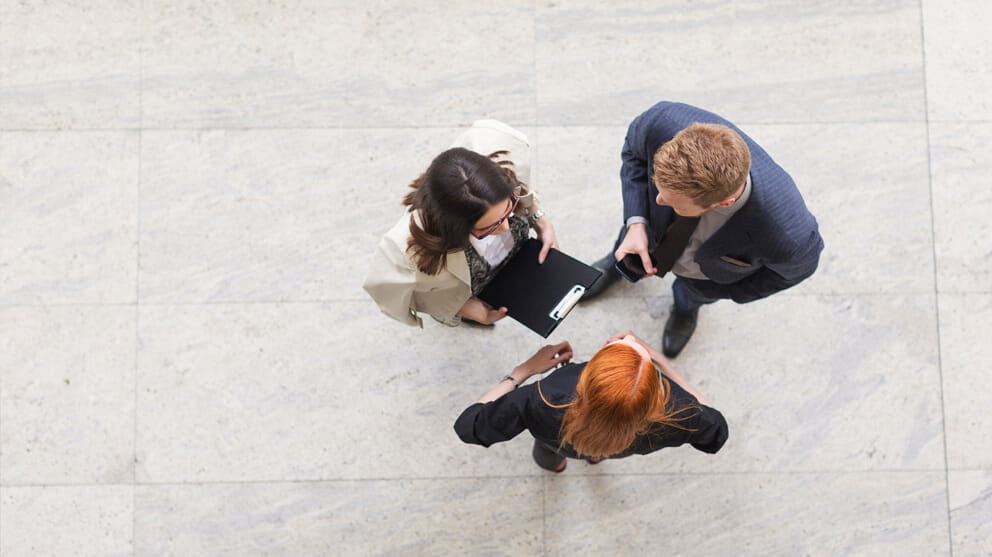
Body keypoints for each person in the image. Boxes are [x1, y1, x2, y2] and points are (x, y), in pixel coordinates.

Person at [582, 101, 823, 358]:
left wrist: (716, 290)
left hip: (704, 279)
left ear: (724, 202)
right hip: (643, 236)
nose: (657, 201)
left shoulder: (789, 237)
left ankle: (686, 307)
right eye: (658, 187)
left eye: (671, 201)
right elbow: (634, 152)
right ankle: (614, 267)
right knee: (630, 242)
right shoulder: (660, 122)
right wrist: (637, 222)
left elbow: (793, 273)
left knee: (692, 295)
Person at [364, 120, 558, 328]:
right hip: (468, 286)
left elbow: (524, 194)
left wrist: (539, 220)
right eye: (488, 228)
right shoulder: (407, 254)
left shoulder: (506, 159)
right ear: (455, 228)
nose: (506, 228)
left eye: (508, 210)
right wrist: (463, 308)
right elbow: (397, 296)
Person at [454, 332, 728, 472]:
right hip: (621, 447)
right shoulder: (677, 411)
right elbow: (716, 429)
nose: (629, 340)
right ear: (655, 393)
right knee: (603, 445)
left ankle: (556, 465)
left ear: (586, 379)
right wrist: (658, 360)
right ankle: (597, 455)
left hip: (556, 440)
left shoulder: (543, 398)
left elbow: (469, 425)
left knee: (550, 453)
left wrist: (522, 371)